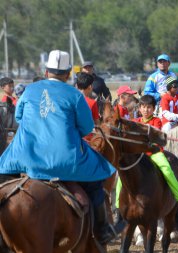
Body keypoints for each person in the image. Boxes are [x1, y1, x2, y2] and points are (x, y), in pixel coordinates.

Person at [0, 50, 116, 244]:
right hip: (65, 161)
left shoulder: (29, 90)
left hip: (23, 157)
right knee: (98, 179)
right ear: (68, 74)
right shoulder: (74, 94)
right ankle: (103, 230)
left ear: (46, 72)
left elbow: (19, 118)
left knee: (3, 181)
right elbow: (87, 127)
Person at [115, 95, 178, 215]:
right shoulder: (135, 121)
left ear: (153, 109)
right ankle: (118, 207)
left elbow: (152, 136)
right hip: (138, 154)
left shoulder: (157, 121)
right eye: (143, 107)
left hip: (154, 153)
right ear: (139, 109)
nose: (145, 110)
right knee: (122, 174)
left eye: (149, 107)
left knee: (167, 170)